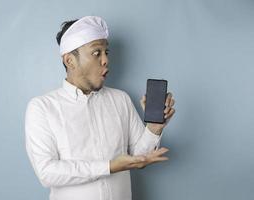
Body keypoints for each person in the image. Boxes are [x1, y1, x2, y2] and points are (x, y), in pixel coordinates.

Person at [25, 15, 175, 200]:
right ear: (69, 60)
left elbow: (139, 158)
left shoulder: (121, 99)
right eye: (96, 53)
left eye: (107, 52)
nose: (105, 60)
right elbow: (47, 172)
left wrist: (154, 128)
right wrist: (109, 166)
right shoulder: (42, 108)